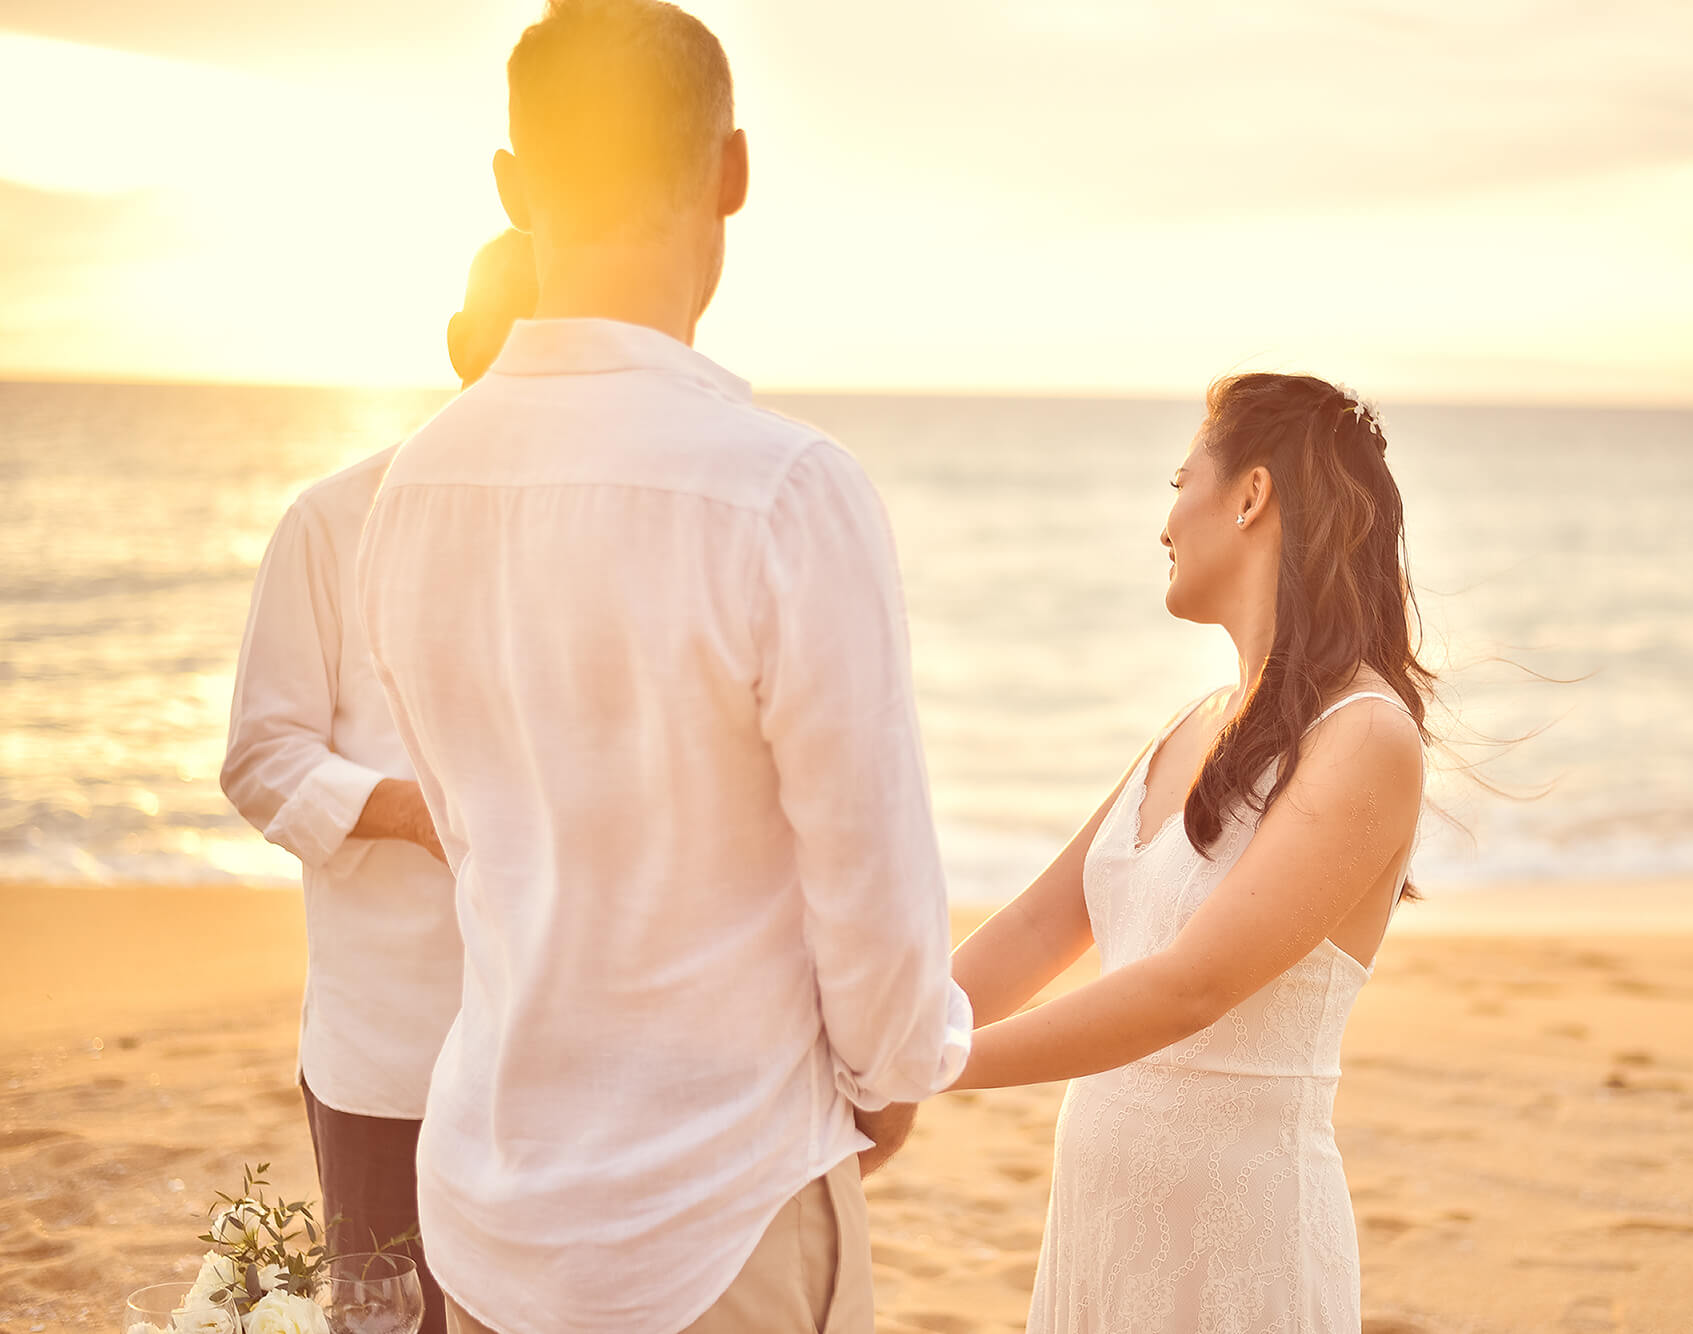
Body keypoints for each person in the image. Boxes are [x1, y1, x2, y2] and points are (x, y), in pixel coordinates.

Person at [354, 3, 970, 1332]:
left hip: (489, 1200)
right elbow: (870, 883)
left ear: (514, 189)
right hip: (719, 1209)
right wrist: (892, 1078)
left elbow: (477, 837)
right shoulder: (786, 491)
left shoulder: (412, 489)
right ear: (731, 174)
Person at [949, 373, 1431, 1332]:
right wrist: (864, 1035)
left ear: (1250, 496)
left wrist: (929, 1064)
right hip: (1100, 1238)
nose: (1165, 521)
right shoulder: (1191, 727)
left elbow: (1191, 988)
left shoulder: (1366, 738)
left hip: (1241, 1256)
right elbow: (1043, 925)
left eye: (1181, 481)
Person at [220, 226, 538, 1334]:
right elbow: (260, 758)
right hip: (387, 1051)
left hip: (560, 1056)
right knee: (387, 1315)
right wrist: (417, 811)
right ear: (460, 345)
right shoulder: (328, 520)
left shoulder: (609, 532)